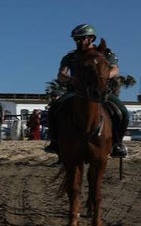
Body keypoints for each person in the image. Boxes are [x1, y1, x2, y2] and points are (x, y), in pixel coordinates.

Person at [45, 23, 129, 158]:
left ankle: (117, 143)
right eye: (76, 39)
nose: (78, 41)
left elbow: (115, 69)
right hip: (76, 91)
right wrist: (71, 79)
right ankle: (55, 141)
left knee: (122, 112)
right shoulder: (70, 57)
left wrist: (102, 76)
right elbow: (61, 74)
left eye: (81, 38)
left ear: (91, 38)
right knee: (54, 108)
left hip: (101, 91)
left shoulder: (105, 53)